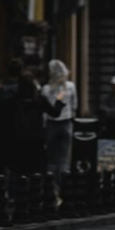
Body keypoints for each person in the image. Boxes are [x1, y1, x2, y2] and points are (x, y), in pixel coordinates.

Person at [10, 69, 63, 177]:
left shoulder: (14, 100)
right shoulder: (39, 99)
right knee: (37, 169)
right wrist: (59, 101)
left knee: (21, 169)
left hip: (19, 138)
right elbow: (55, 113)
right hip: (37, 139)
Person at [42, 59, 77, 193]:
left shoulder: (46, 88)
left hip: (51, 124)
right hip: (67, 123)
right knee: (64, 158)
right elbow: (75, 106)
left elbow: (45, 112)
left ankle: (51, 189)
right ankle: (64, 188)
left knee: (51, 158)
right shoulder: (70, 86)